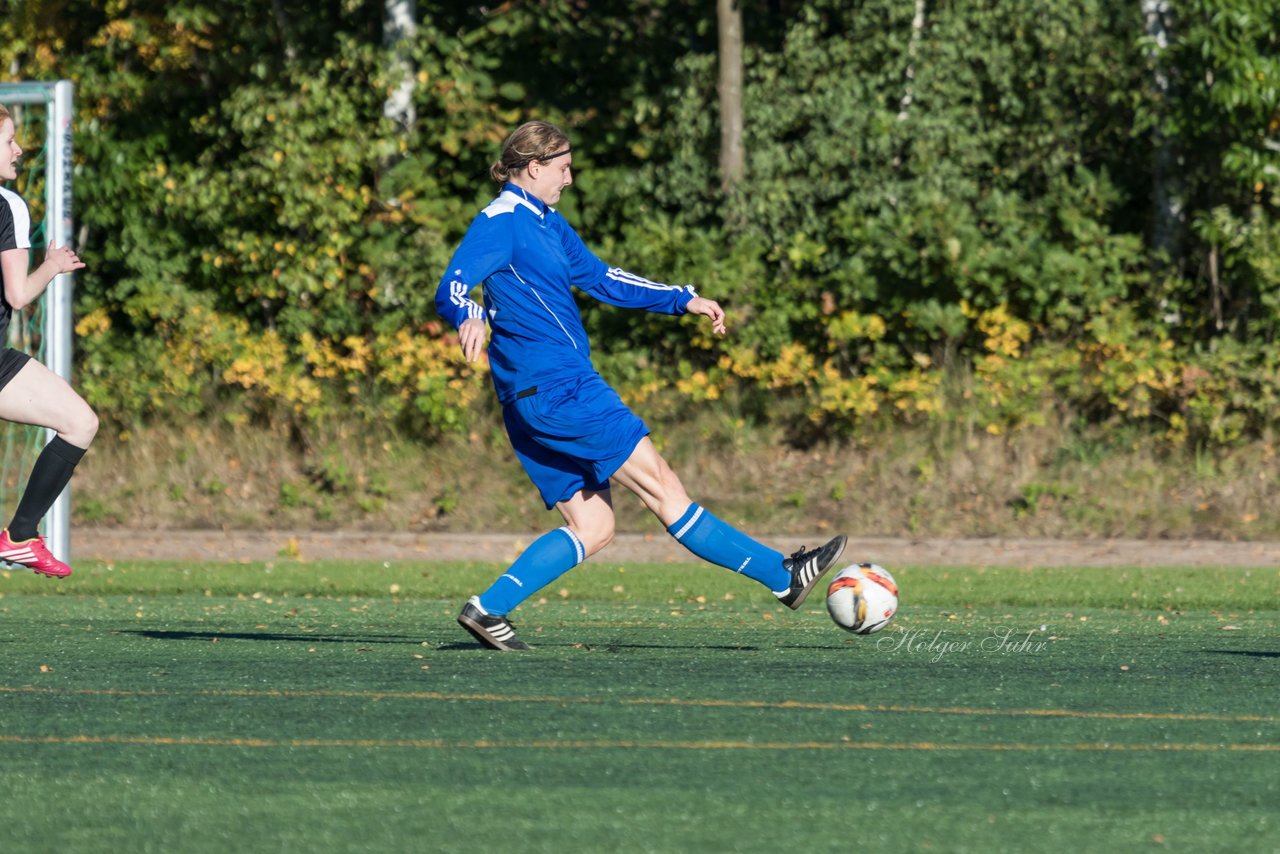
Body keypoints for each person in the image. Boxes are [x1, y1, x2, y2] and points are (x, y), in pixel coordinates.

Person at [435, 120, 846, 650]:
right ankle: (782, 575)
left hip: (534, 398)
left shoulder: (548, 223)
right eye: (563, 168)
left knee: (595, 527)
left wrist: (682, 299)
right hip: (560, 388)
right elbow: (454, 285)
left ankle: (487, 609)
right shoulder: (502, 220)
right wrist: (470, 316)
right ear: (533, 167)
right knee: (664, 487)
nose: (570, 178)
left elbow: (603, 279)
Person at [0, 103, 98, 578]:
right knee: (79, 423)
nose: (18, 150)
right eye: (9, 141)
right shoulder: (8, 204)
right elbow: (18, 295)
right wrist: (53, 266)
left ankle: (21, 538)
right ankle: (20, 536)